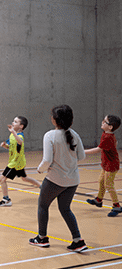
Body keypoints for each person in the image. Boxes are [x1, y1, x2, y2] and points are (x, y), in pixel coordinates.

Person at [29, 105, 88, 252]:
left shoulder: (49, 135)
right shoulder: (75, 134)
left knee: (43, 206)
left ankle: (42, 238)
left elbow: (47, 160)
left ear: (55, 120)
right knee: (65, 209)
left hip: (55, 180)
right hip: (73, 180)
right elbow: (82, 156)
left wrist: (39, 169)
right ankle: (78, 240)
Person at [0, 115, 42, 207]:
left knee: (2, 179)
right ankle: (42, 187)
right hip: (18, 161)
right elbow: (12, 146)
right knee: (24, 178)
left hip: (15, 163)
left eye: (16, 122)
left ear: (21, 126)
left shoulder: (20, 135)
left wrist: (13, 131)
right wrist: (5, 145)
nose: (13, 123)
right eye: (13, 121)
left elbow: (20, 142)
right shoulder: (12, 135)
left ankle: (6, 200)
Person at [85, 114, 122, 217]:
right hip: (106, 163)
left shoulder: (108, 137)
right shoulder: (106, 134)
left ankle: (117, 206)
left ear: (110, 127)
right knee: (101, 181)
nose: (102, 122)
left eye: (104, 121)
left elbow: (97, 149)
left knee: (109, 185)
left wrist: (82, 152)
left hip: (111, 165)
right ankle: (98, 200)